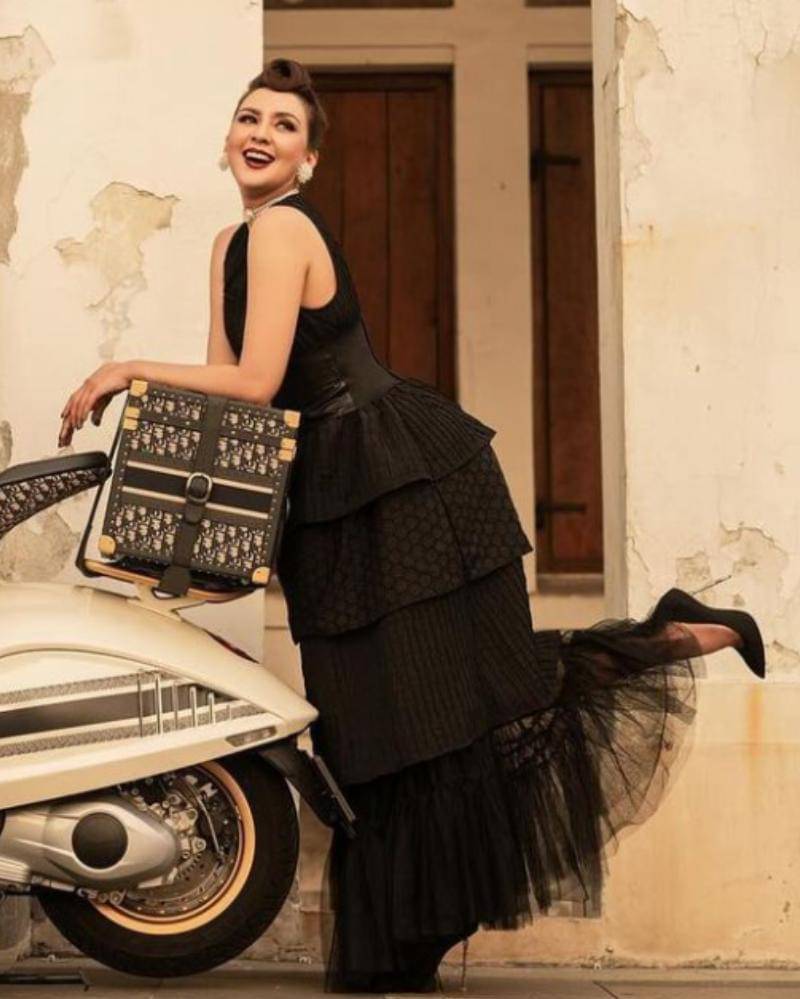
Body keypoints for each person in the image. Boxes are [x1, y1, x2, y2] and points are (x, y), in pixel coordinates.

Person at [58, 59, 766, 993]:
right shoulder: (230, 241)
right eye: (249, 117)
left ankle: (679, 635)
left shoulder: (283, 228)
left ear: (309, 160)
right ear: (228, 138)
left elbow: (258, 381)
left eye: (284, 125)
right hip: (330, 497)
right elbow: (234, 395)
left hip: (405, 482)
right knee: (368, 729)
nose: (261, 133)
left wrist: (123, 369)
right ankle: (402, 936)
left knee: (466, 701)